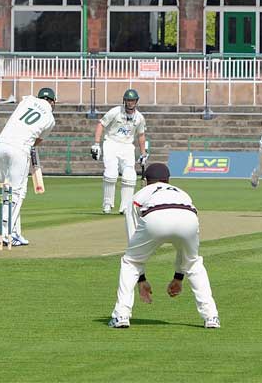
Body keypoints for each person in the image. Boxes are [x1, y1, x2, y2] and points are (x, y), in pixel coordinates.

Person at [108, 163, 219, 330]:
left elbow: (133, 236)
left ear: (146, 181)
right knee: (194, 263)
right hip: (188, 217)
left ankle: (121, 315)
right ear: (168, 180)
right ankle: (211, 317)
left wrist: (142, 279)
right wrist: (178, 277)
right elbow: (186, 247)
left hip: (155, 217)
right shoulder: (182, 193)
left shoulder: (139, 194)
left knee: (130, 262)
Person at [0, 87, 56, 246]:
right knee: (18, 192)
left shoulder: (28, 100)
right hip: (19, 149)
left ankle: (15, 233)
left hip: (1, 144)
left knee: (6, 189)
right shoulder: (50, 118)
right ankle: (2, 231)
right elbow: (36, 141)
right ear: (53, 102)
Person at [91, 88, 148, 215]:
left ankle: (126, 207)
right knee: (111, 173)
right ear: (124, 101)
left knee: (130, 176)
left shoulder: (139, 118)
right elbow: (101, 124)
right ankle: (107, 204)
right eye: (128, 100)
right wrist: (96, 144)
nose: (130, 103)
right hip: (111, 142)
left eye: (132, 100)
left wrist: (143, 153)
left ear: (136, 101)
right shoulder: (115, 111)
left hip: (127, 146)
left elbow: (141, 135)